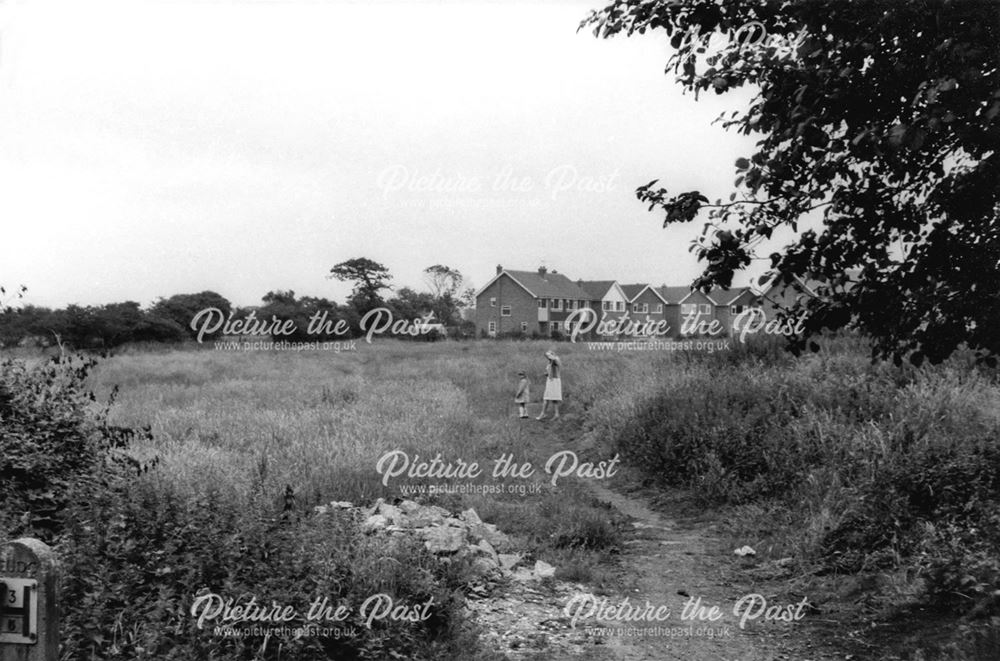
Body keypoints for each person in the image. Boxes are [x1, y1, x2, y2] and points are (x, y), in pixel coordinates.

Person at [536, 349, 562, 421]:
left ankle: (543, 413)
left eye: (548, 355)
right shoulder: (550, 362)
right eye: (546, 356)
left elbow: (556, 361)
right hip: (551, 380)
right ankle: (556, 414)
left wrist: (551, 355)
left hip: (554, 381)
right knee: (553, 399)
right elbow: (550, 371)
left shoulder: (556, 360)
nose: (547, 356)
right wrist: (546, 374)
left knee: (546, 398)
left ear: (552, 354)